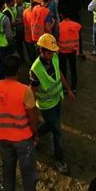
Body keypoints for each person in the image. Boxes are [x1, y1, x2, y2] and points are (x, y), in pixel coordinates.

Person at [0, 54, 46, 191]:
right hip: (22, 139)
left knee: (7, 170)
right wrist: (35, 134)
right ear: (18, 70)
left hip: (2, 137)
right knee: (28, 174)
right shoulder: (24, 90)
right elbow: (32, 117)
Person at [31, 33, 75, 174]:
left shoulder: (55, 57)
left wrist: (68, 89)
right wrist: (33, 113)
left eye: (53, 52)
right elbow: (32, 93)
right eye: (49, 53)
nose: (52, 55)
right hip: (45, 106)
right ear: (41, 51)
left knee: (51, 125)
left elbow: (59, 73)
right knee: (57, 132)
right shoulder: (35, 70)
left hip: (56, 100)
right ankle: (59, 160)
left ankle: (34, 134)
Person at [57, 13, 82, 93]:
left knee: (63, 70)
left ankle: (65, 87)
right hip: (72, 50)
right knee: (73, 69)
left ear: (61, 16)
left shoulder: (59, 26)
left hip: (62, 51)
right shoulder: (76, 25)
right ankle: (73, 87)